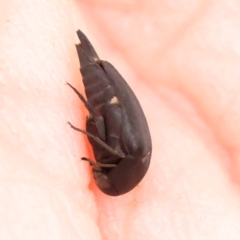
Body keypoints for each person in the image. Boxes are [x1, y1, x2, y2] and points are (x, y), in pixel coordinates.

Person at [1, 0, 240, 239]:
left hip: (106, 86)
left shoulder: (135, 152)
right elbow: (99, 130)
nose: (96, 171)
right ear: (113, 176)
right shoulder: (133, 149)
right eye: (101, 176)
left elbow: (99, 130)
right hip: (106, 89)